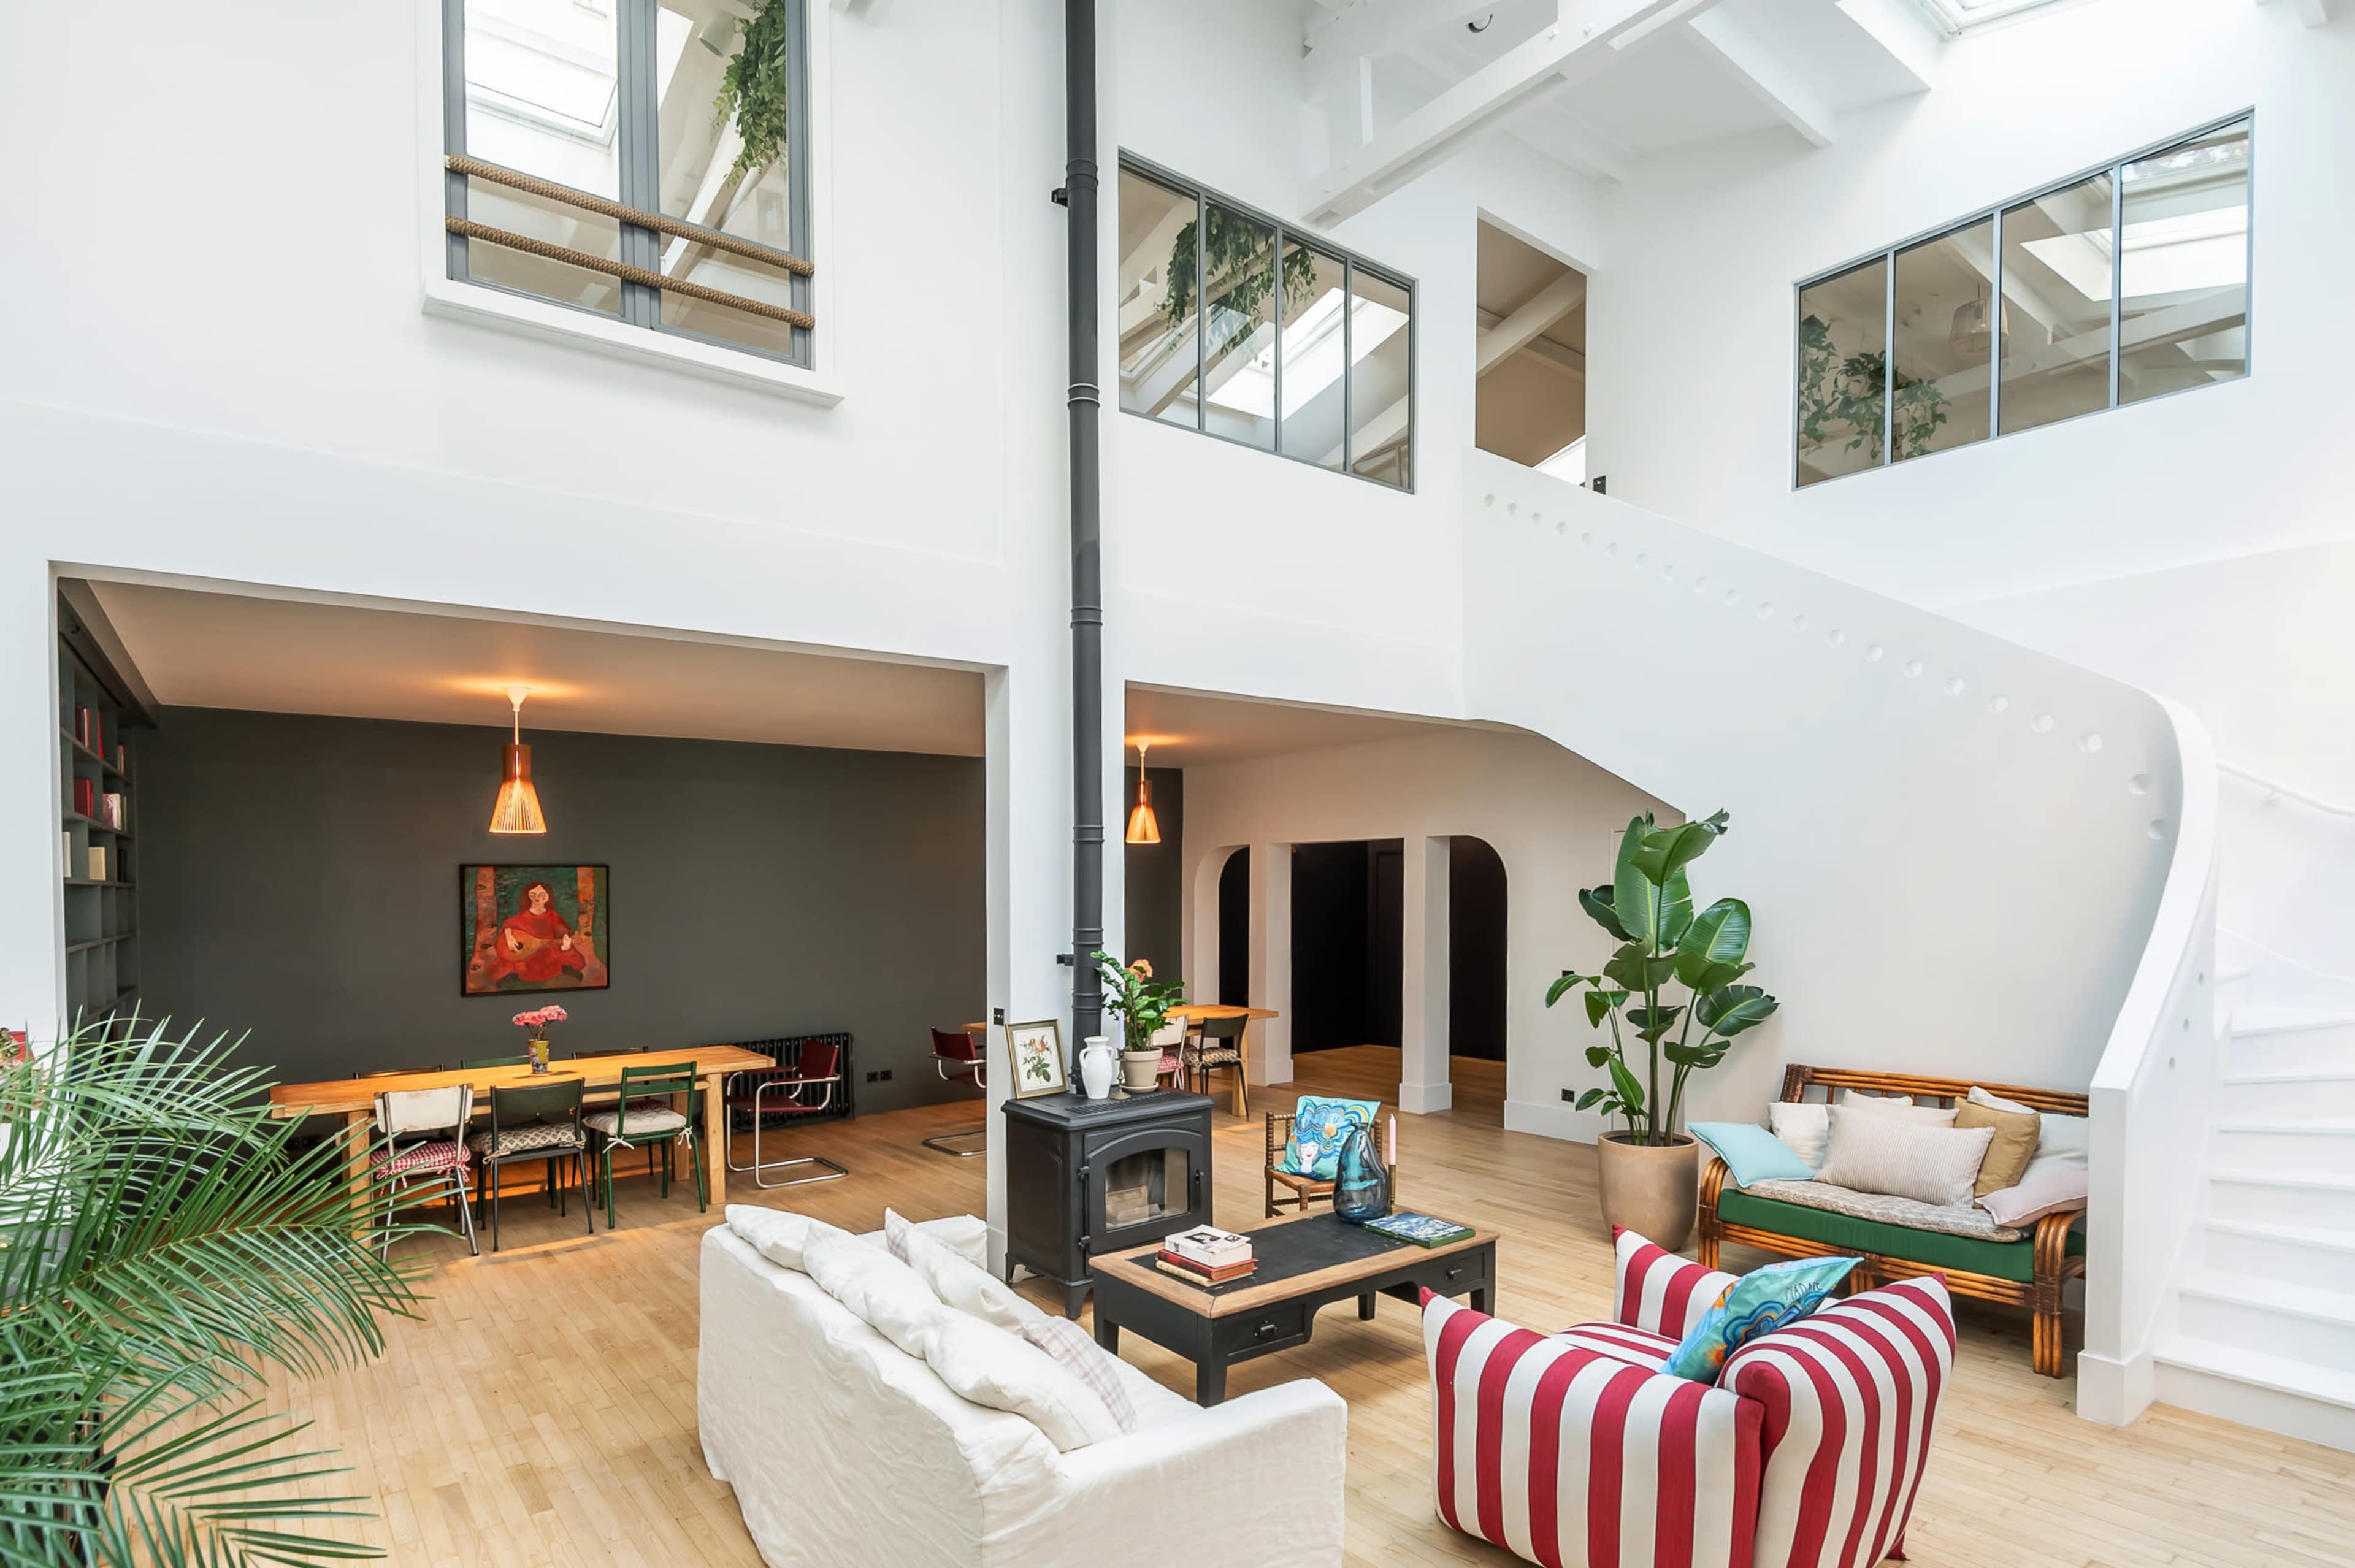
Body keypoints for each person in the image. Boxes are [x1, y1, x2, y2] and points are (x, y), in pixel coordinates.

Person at [486, 879, 588, 987]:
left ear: (548, 897)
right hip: (524, 969)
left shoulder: (554, 918)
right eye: (533, 894)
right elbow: (510, 925)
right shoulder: (519, 920)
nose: (537, 898)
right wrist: (508, 935)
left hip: (550, 968)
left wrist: (565, 949)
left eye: (542, 894)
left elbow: (565, 938)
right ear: (528, 896)